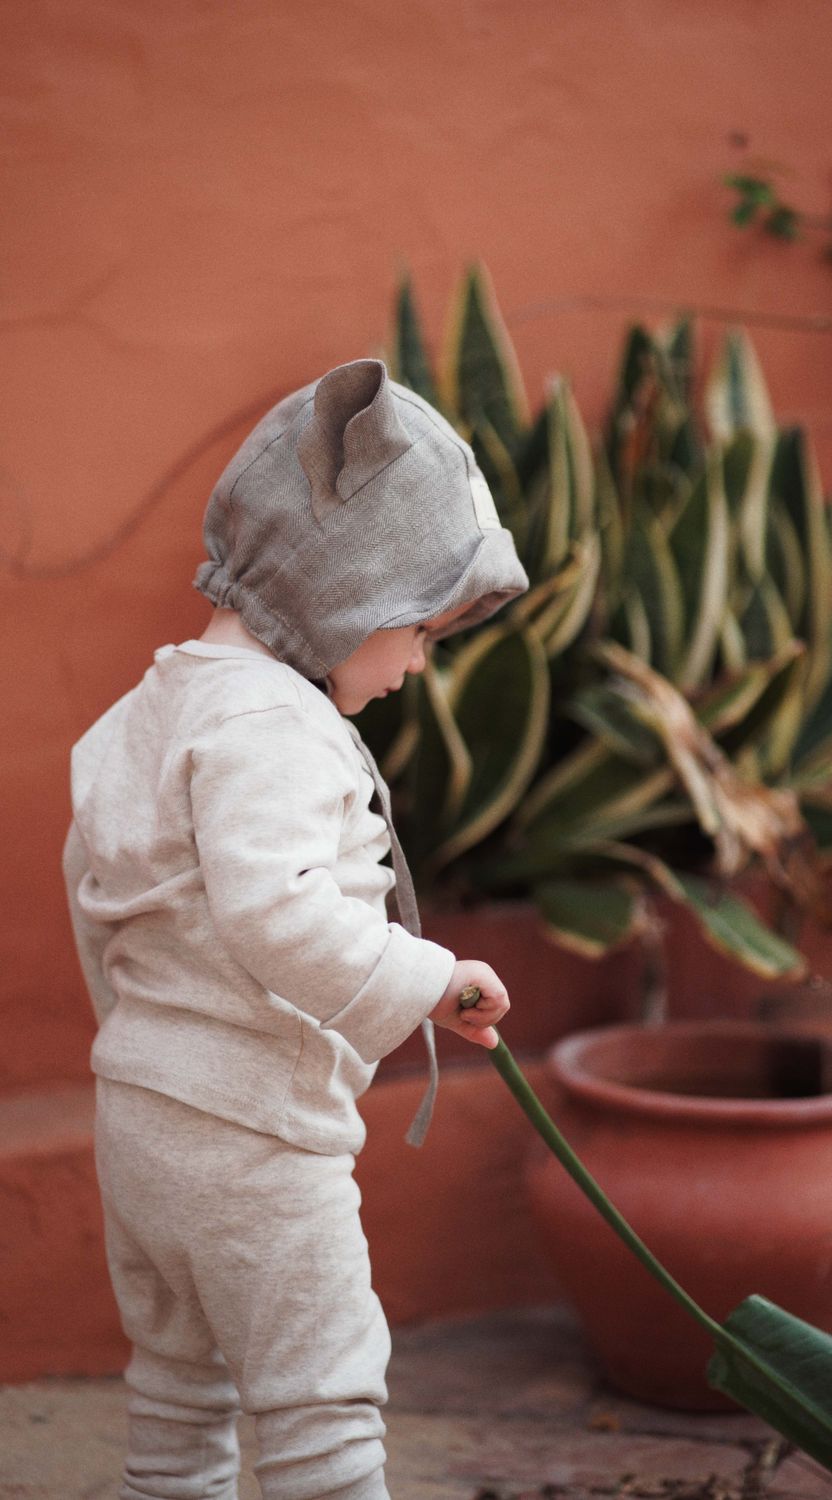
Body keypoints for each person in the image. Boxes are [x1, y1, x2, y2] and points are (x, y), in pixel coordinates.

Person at [62, 357, 530, 1500]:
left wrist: (139, 1046)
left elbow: (96, 907)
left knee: (178, 1391)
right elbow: (278, 910)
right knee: (322, 1400)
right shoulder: (274, 726)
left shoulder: (146, 710)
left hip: (141, 1125)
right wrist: (429, 977)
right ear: (349, 590)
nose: (419, 664)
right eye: (420, 629)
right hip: (254, 1142)